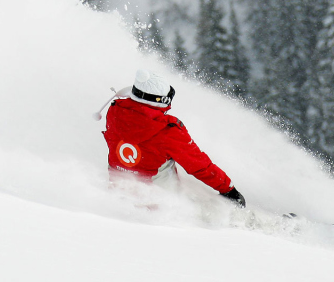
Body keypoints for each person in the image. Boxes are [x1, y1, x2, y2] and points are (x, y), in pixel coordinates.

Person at [99, 69, 246, 207]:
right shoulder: (167, 130)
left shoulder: (115, 112)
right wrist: (228, 189)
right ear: (160, 100)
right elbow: (198, 165)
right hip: (162, 202)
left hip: (118, 194)